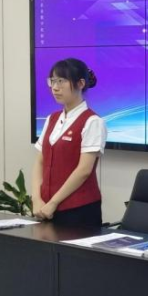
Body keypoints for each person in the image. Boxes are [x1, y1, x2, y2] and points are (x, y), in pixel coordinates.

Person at [31, 58, 106, 227]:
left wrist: (54, 202)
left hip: (78, 210)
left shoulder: (92, 121)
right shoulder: (52, 118)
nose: (55, 87)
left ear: (80, 83)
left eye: (61, 81)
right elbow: (40, 161)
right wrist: (36, 199)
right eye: (52, 81)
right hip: (45, 208)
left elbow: (84, 170)